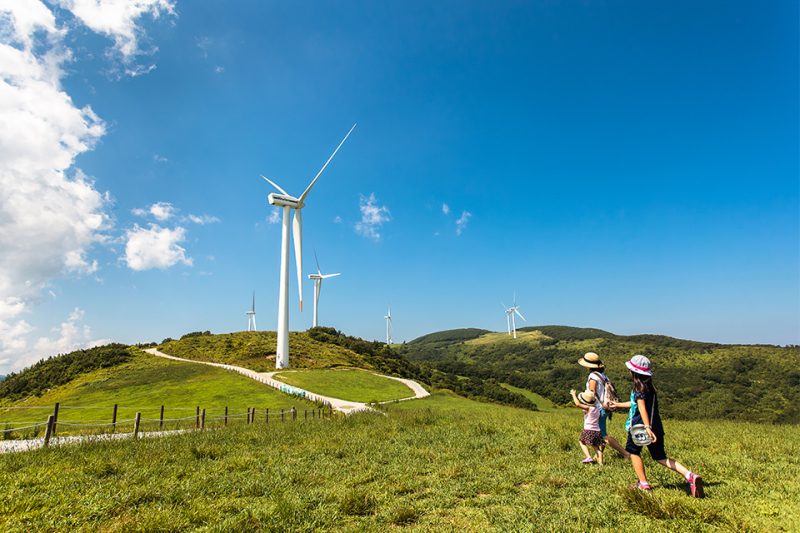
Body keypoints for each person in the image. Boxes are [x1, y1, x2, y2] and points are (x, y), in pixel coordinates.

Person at [608, 355, 705, 497]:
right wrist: (617, 405)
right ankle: (689, 475)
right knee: (660, 456)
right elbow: (635, 404)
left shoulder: (638, 388)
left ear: (634, 372)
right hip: (657, 426)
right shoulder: (650, 388)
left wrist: (647, 428)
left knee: (634, 453)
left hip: (640, 427)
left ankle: (643, 483)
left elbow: (641, 409)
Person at [578, 352, 630, 459]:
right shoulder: (603, 376)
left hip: (597, 408)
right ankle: (598, 456)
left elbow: (591, 393)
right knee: (600, 434)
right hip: (604, 407)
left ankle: (626, 454)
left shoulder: (592, 376)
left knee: (603, 436)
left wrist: (586, 407)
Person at [570, 388, 604, 465]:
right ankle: (601, 463)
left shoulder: (588, 408)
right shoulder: (597, 409)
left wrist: (573, 395)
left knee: (581, 441)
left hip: (589, 430)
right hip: (597, 431)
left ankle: (589, 457)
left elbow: (577, 404)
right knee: (596, 447)